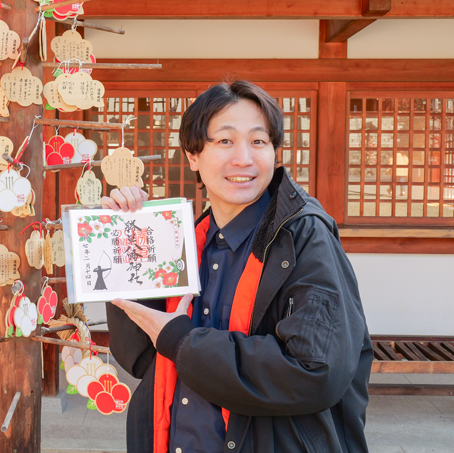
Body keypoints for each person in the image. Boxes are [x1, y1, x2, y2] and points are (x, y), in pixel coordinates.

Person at [102, 81, 373, 452]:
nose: (244, 158)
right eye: (225, 141)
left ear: (275, 153)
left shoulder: (303, 236)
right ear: (193, 156)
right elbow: (140, 356)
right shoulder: (186, 239)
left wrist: (184, 341)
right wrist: (128, 240)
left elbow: (316, 371)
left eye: (259, 141)